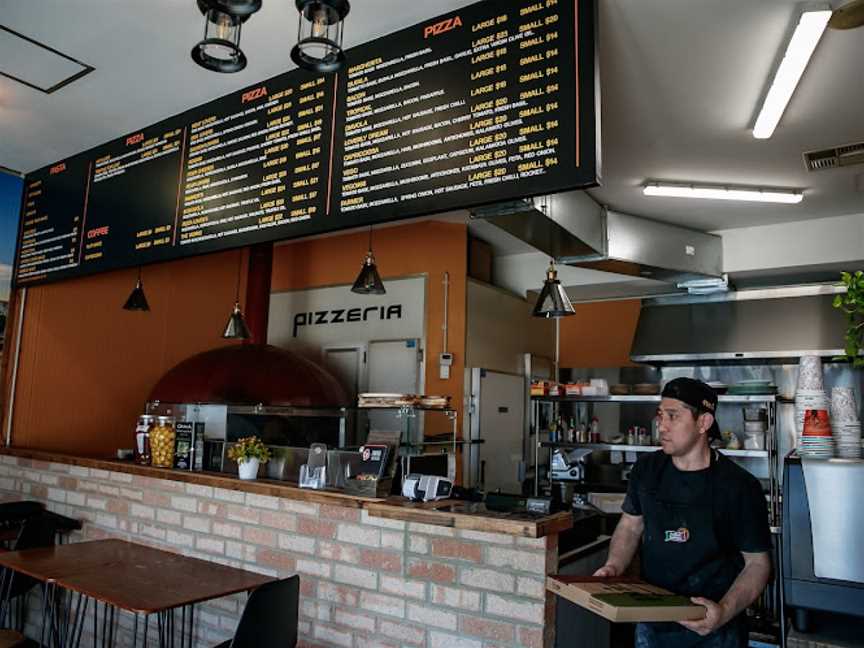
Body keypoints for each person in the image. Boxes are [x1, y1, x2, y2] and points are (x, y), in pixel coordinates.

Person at [593, 377, 772, 647]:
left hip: (716, 629)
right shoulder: (646, 470)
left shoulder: (740, 487)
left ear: (704, 423)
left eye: (673, 416)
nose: (661, 425)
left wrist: (723, 610)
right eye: (660, 415)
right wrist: (614, 566)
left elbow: (758, 564)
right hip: (653, 624)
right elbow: (630, 527)